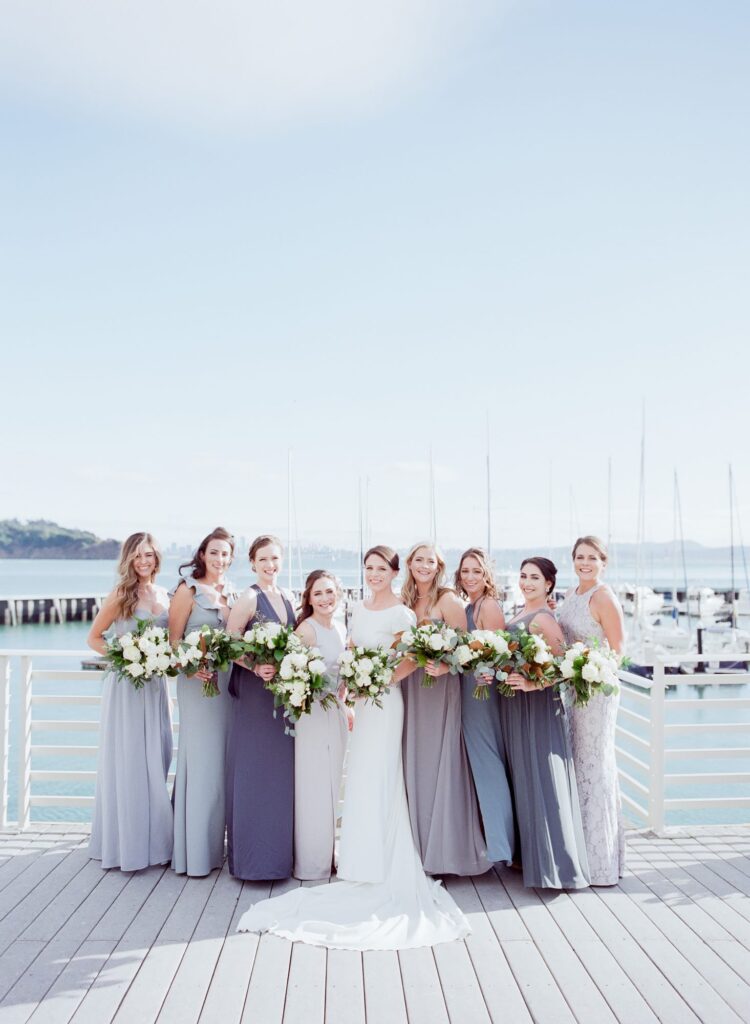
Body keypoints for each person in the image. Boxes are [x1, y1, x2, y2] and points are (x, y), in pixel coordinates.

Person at [236, 545, 469, 949]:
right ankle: (359, 861)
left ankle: (384, 862)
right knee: (360, 777)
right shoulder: (358, 609)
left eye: (381, 568)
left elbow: (410, 660)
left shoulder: (402, 613)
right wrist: (354, 676)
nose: (374, 574)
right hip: (362, 703)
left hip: (385, 701)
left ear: (396, 573)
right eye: (368, 568)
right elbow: (350, 653)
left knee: (381, 774)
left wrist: (377, 680)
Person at [500, 557, 590, 889]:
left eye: (534, 577)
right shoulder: (520, 614)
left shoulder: (543, 618)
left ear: (548, 584)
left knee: (544, 780)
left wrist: (532, 684)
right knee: (525, 781)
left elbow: (565, 665)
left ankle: (558, 866)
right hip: (516, 710)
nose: (526, 582)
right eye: (523, 576)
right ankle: (532, 859)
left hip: (538, 709)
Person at [400, 542, 488, 876]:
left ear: (438, 567)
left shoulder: (448, 599)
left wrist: (447, 667)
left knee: (439, 761)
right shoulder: (406, 600)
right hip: (411, 688)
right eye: (418, 560)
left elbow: (466, 648)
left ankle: (445, 851)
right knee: (414, 761)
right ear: (410, 564)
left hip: (439, 687)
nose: (424, 566)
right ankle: (417, 847)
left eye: (430, 561)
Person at [88, 532, 173, 871]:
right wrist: (127, 656)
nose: (143, 562)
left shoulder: (165, 594)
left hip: (155, 686)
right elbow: (93, 638)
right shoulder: (120, 594)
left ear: (156, 558)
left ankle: (155, 842)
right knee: (129, 760)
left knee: (158, 756)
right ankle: (127, 845)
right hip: (126, 687)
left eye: (149, 555)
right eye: (137, 556)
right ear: (128, 559)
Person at [225, 535, 296, 880]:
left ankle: (279, 858)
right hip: (255, 696)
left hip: (282, 699)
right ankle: (252, 862)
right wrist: (253, 666)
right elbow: (229, 643)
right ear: (253, 563)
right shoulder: (249, 597)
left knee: (279, 776)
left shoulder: (286, 597)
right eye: (264, 559)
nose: (270, 565)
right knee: (255, 772)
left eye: (275, 559)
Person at [557, 535, 626, 885]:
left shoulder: (604, 597)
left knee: (595, 766)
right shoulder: (572, 594)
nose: (585, 563)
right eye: (579, 557)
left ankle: (602, 864)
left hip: (597, 691)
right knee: (578, 764)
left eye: (591, 558)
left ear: (603, 562)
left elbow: (617, 650)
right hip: (573, 688)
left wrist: (592, 669)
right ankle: (580, 855)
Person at [169, 527, 237, 876]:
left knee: (223, 765)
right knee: (202, 761)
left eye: (226, 554)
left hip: (228, 686)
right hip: (198, 684)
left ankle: (216, 848)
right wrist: (190, 668)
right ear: (202, 554)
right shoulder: (188, 590)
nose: (220, 559)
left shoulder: (234, 594)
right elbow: (173, 640)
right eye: (214, 552)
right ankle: (194, 854)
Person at [455, 547, 515, 864]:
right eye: (465, 571)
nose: (470, 577)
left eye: (476, 571)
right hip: (467, 689)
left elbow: (500, 651)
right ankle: (491, 842)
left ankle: (502, 848)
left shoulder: (488, 605)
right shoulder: (468, 605)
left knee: (488, 764)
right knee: (479, 765)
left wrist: (486, 671)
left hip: (481, 692)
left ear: (487, 575)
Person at [292, 570, 349, 880]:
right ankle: (311, 861)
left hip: (336, 711)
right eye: (318, 594)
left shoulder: (340, 628)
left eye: (329, 592)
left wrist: (344, 697)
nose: (325, 598)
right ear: (309, 599)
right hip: (312, 714)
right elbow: (291, 676)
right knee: (313, 783)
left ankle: (329, 851)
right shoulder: (307, 630)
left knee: (332, 784)